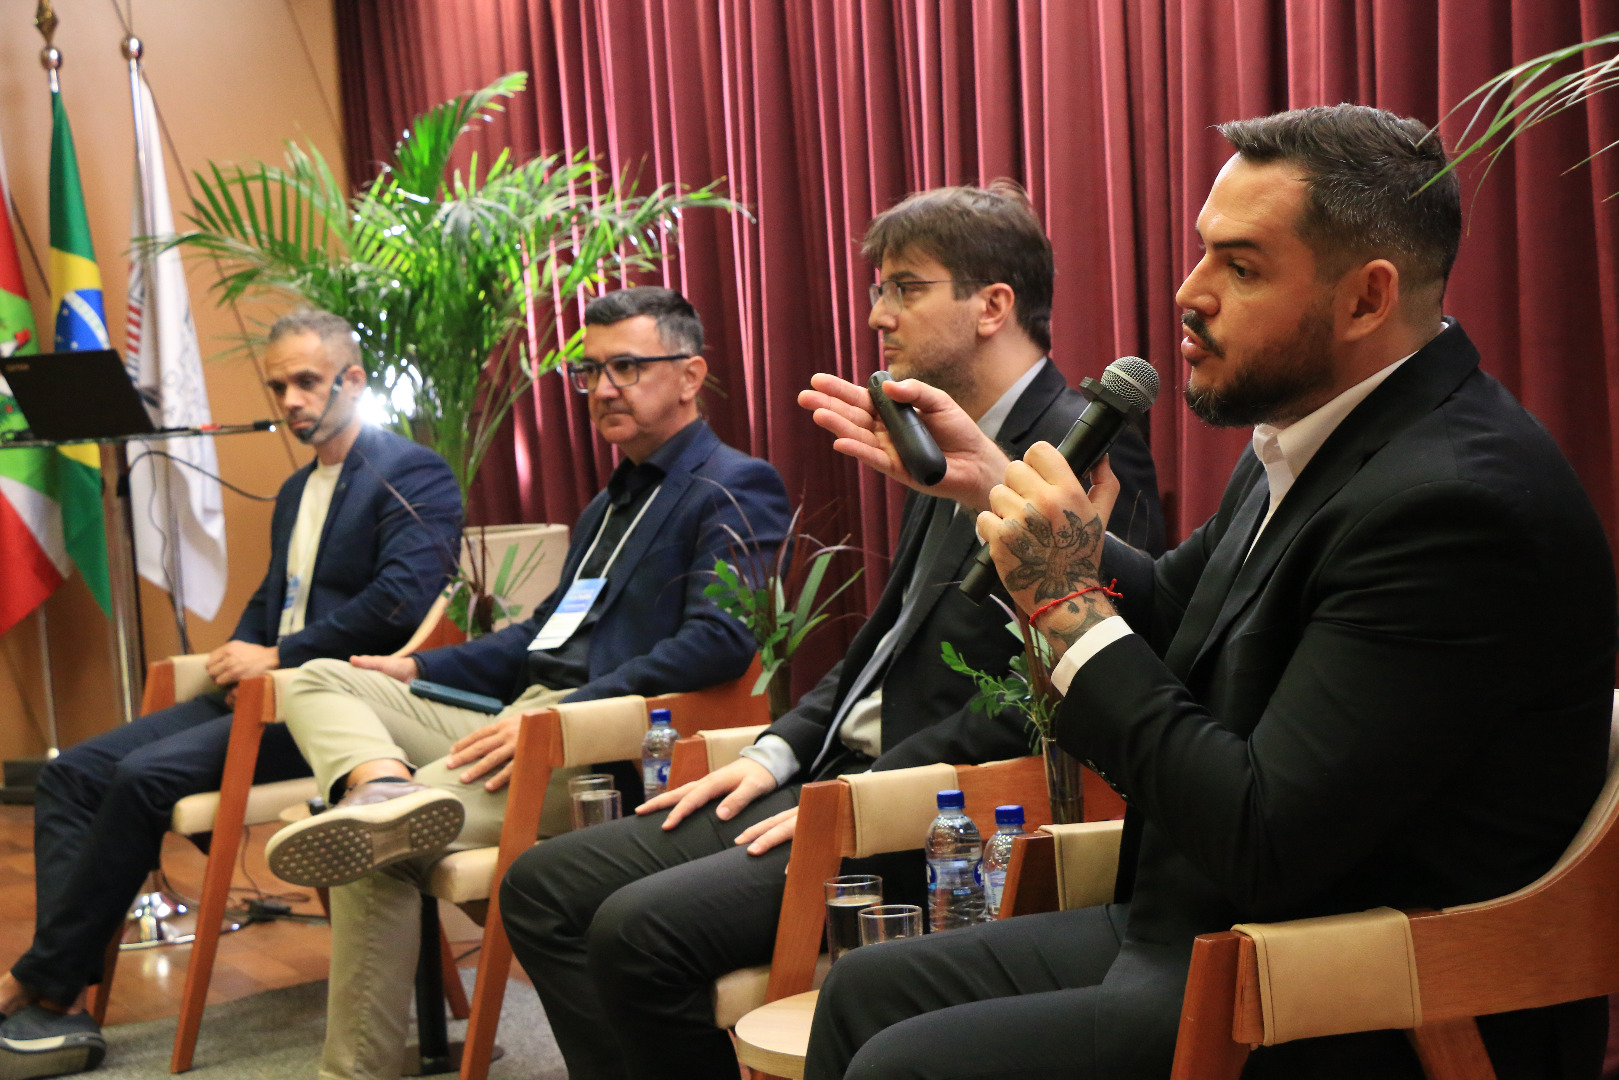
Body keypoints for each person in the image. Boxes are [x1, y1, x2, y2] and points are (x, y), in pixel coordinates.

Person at [804, 105, 1619, 1080]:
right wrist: (991, 482)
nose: (1187, 295)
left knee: (905, 1064)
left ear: (1364, 299)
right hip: (1202, 935)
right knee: (862, 990)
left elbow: (1259, 837)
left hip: (1351, 993)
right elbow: (1170, 609)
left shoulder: (1453, 505)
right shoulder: (1306, 432)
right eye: (1200, 255)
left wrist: (1062, 607)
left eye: (1239, 267)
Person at [496, 183, 1165, 1080]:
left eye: (904, 287)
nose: (875, 314)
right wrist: (773, 753)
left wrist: (865, 792)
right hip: (835, 773)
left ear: (991, 306)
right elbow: (878, 645)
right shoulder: (944, 432)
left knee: (635, 930)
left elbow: (1049, 687)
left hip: (940, 807)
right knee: (540, 887)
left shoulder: (1079, 441)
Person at [260, 286, 791, 1080]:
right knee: (319, 674)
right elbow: (538, 636)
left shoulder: (733, 485)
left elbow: (719, 644)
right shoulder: (606, 505)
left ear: (689, 375)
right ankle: (377, 787)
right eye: (591, 373)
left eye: (627, 367)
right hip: (519, 719)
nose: (604, 388)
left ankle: (353, 1061)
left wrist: (566, 714)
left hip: (605, 746)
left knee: (373, 852)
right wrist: (417, 667)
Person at [0, 309, 463, 1079]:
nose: (289, 401)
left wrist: (278, 655)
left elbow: (398, 603)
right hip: (255, 693)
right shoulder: (293, 489)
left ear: (353, 380)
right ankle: (65, 991)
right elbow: (273, 592)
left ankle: (39, 988)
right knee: (71, 773)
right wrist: (236, 649)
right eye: (278, 385)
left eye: (307, 382)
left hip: (330, 707)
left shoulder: (411, 472)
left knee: (140, 779)